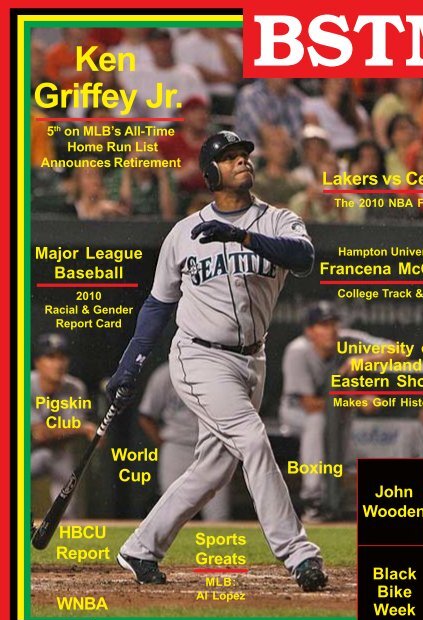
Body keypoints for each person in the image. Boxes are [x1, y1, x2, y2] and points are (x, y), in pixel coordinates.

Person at [107, 130, 328, 592]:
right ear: (211, 173)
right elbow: (158, 304)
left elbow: (304, 257)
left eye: (244, 154)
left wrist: (243, 236)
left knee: (214, 467)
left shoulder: (278, 219)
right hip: (199, 356)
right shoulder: (183, 234)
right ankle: (299, 553)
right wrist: (131, 363)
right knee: (252, 439)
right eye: (228, 158)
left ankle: (140, 548)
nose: (241, 162)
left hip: (253, 359)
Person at [279, 301, 404, 521]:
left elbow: (400, 351)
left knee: (340, 441)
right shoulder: (298, 351)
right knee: (317, 422)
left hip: (336, 412)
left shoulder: (347, 341)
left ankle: (334, 503)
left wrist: (363, 360)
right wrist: (357, 401)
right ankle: (313, 498)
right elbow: (310, 404)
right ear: (309, 331)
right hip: (296, 414)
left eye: (333, 323)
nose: (331, 329)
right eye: (323, 325)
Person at [138, 363, 230, 521]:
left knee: (219, 515)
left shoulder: (220, 371)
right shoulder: (165, 374)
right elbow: (146, 416)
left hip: (213, 446)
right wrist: (164, 444)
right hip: (177, 447)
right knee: (172, 513)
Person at [31, 334, 95, 518]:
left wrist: (78, 428)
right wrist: (83, 428)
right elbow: (40, 434)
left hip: (56, 452)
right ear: (38, 362)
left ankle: (67, 529)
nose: (58, 364)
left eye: (62, 357)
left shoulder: (75, 387)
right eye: (50, 357)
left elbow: (67, 430)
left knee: (68, 496)